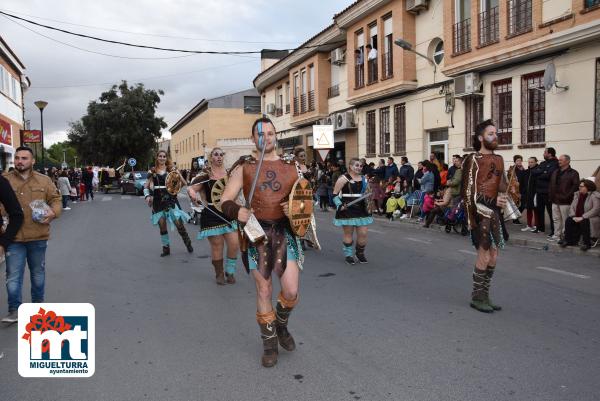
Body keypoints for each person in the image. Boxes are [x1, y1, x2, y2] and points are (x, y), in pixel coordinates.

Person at [219, 117, 306, 368]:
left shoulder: (292, 166)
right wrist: (237, 211)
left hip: (284, 231)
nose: (265, 138)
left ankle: (281, 324)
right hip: (256, 232)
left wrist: (296, 211)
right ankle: (269, 343)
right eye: (260, 134)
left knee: (290, 291)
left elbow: (303, 201)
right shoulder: (244, 167)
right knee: (264, 289)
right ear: (252, 139)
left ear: (275, 135)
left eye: (269, 133)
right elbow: (225, 200)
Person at [462, 120, 516, 314]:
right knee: (484, 254)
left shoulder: (500, 159)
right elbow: (467, 192)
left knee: (494, 255)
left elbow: (500, 185)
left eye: (496, 133)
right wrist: (470, 220)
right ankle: (477, 297)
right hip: (479, 211)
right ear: (480, 138)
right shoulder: (472, 159)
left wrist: (509, 188)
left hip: (495, 212)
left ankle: (485, 294)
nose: (495, 136)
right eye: (491, 133)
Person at [2, 147, 61, 323]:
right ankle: (14, 310)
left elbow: (56, 200)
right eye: (17, 158)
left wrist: (53, 213)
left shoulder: (44, 180)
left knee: (37, 274)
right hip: (13, 237)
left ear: (33, 161)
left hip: (38, 235)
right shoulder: (5, 180)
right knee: (13, 275)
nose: (20, 161)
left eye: (24, 158)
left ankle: (37, 307)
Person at [188, 148, 238, 285]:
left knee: (234, 244)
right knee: (217, 245)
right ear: (211, 158)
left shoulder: (230, 174)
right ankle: (219, 274)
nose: (219, 157)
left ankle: (230, 271)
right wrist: (192, 194)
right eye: (216, 154)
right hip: (211, 213)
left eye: (221, 154)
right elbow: (191, 188)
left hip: (229, 212)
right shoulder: (206, 174)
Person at [143, 150, 193, 257]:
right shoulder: (152, 171)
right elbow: (146, 186)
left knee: (179, 225)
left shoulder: (171, 170)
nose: (162, 158)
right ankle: (166, 249)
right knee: (162, 226)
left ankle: (188, 243)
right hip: (157, 202)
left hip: (171, 201)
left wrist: (177, 176)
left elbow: (183, 183)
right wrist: (147, 196)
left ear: (166, 158)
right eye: (160, 156)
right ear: (157, 158)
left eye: (164, 156)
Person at [332, 158, 374, 265]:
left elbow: (368, 193)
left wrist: (369, 196)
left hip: (361, 209)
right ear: (350, 166)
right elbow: (335, 194)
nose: (359, 167)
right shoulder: (343, 178)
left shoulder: (364, 179)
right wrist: (339, 205)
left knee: (363, 233)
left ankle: (360, 253)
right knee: (348, 233)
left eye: (360, 166)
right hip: (347, 208)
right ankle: (349, 255)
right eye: (357, 165)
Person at [559, 180, 599, 251]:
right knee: (569, 220)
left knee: (584, 221)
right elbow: (572, 206)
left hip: (592, 217)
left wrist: (583, 217)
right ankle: (569, 241)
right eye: (579, 186)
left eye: (581, 186)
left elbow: (596, 209)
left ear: (588, 187)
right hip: (578, 216)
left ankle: (586, 243)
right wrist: (573, 215)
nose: (579, 187)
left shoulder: (594, 196)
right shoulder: (577, 195)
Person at [548, 154, 579, 241]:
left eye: (561, 160)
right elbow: (551, 184)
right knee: (556, 219)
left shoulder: (573, 173)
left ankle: (565, 236)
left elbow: (575, 187)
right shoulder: (555, 172)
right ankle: (557, 235)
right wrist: (551, 195)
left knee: (565, 220)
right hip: (555, 199)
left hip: (566, 201)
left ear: (567, 161)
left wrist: (566, 196)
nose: (559, 161)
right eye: (559, 160)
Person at [532, 147, 559, 235]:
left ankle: (553, 231)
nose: (543, 154)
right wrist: (543, 172)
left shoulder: (555, 163)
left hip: (548, 192)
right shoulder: (543, 163)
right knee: (539, 210)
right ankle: (540, 228)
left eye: (545, 152)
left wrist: (541, 173)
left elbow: (549, 175)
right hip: (539, 191)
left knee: (551, 212)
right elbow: (534, 172)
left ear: (550, 154)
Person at [520, 157, 539, 232]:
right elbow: (522, 183)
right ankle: (529, 225)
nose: (530, 164)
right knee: (529, 210)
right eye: (529, 162)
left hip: (535, 194)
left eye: (532, 162)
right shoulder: (526, 171)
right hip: (527, 194)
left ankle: (536, 225)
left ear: (536, 162)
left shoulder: (538, 171)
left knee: (536, 210)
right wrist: (522, 192)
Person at [507, 155, 524, 225]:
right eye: (517, 161)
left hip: (522, 188)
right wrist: (512, 188)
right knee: (516, 204)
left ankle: (515, 217)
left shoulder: (523, 169)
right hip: (514, 189)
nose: (519, 162)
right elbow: (509, 180)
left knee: (522, 204)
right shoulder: (512, 169)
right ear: (515, 161)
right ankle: (515, 219)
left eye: (520, 160)